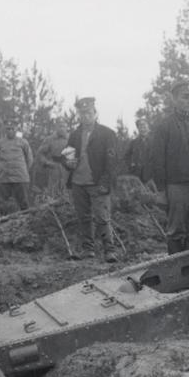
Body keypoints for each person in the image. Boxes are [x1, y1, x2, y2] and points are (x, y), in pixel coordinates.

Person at [150, 80, 189, 254]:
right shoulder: (164, 126)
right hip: (176, 184)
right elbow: (157, 160)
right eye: (185, 97)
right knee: (176, 228)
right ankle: (175, 265)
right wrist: (161, 190)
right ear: (174, 99)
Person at [65, 97, 118, 263]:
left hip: (97, 182)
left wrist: (105, 182)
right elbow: (68, 156)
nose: (85, 116)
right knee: (83, 217)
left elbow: (111, 162)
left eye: (88, 112)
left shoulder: (107, 134)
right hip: (78, 182)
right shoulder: (74, 135)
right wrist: (68, 163)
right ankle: (88, 250)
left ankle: (109, 250)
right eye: (82, 113)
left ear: (95, 113)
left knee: (102, 217)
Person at [0, 119, 33, 211]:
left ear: (16, 129)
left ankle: (26, 222)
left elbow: (30, 159)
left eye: (12, 128)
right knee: (3, 204)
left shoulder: (23, 142)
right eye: (8, 129)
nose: (10, 131)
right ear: (5, 129)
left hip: (20, 178)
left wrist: (23, 171)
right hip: (4, 178)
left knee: (23, 203)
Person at [36, 119, 70, 199]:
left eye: (63, 126)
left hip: (68, 169)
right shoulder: (50, 139)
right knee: (53, 193)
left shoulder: (71, 139)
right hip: (54, 168)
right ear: (56, 127)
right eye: (59, 126)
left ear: (66, 128)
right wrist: (47, 163)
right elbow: (40, 153)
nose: (62, 128)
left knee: (68, 193)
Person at [125, 117, 152, 184]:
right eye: (140, 126)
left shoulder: (155, 141)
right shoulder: (133, 143)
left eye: (144, 126)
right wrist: (131, 165)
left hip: (152, 176)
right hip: (137, 176)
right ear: (138, 129)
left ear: (148, 127)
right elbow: (126, 157)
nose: (143, 129)